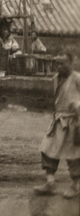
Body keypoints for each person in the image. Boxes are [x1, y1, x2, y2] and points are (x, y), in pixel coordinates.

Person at [33, 51, 80, 199]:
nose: (59, 66)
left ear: (71, 63)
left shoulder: (77, 78)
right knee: (47, 149)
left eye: (63, 63)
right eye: (57, 63)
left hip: (74, 121)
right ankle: (50, 182)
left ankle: (75, 185)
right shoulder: (55, 78)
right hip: (59, 120)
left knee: (73, 155)